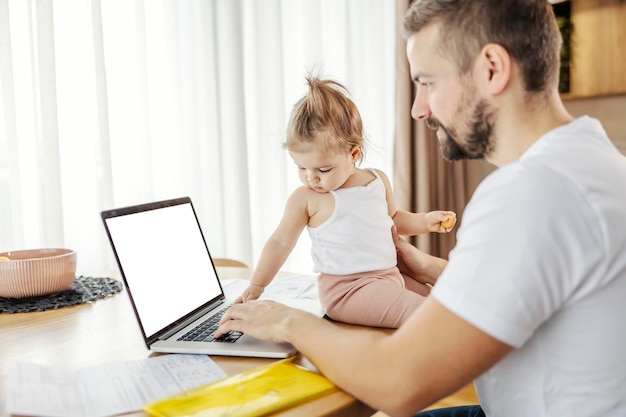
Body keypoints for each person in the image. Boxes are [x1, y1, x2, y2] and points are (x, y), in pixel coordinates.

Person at [217, 0, 626, 416]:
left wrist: (287, 320)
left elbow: (397, 383)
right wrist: (434, 270)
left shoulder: (531, 192)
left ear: (492, 69)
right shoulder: (591, 161)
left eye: (427, 82)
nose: (418, 109)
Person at [236, 75, 456, 328]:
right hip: (348, 290)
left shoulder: (376, 180)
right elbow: (280, 242)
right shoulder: (306, 198)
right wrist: (257, 284)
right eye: (301, 168)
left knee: (445, 303)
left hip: (390, 276)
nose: (311, 178)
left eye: (323, 169)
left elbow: (393, 219)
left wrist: (425, 221)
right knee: (429, 317)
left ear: (353, 154)